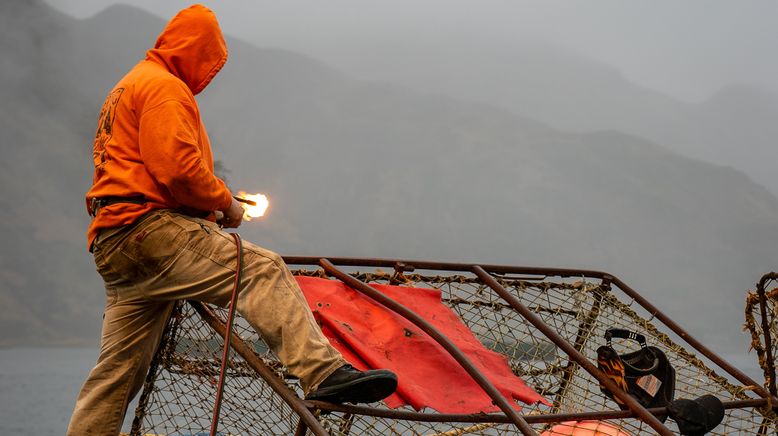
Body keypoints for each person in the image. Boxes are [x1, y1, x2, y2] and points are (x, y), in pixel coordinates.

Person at [67, 5, 397, 435]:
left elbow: (149, 170)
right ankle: (322, 373)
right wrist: (225, 201)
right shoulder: (163, 87)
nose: (210, 71)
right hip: (151, 232)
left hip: (114, 243)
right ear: (195, 50)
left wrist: (210, 205)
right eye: (210, 60)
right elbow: (178, 171)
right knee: (260, 269)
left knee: (117, 372)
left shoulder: (129, 85)